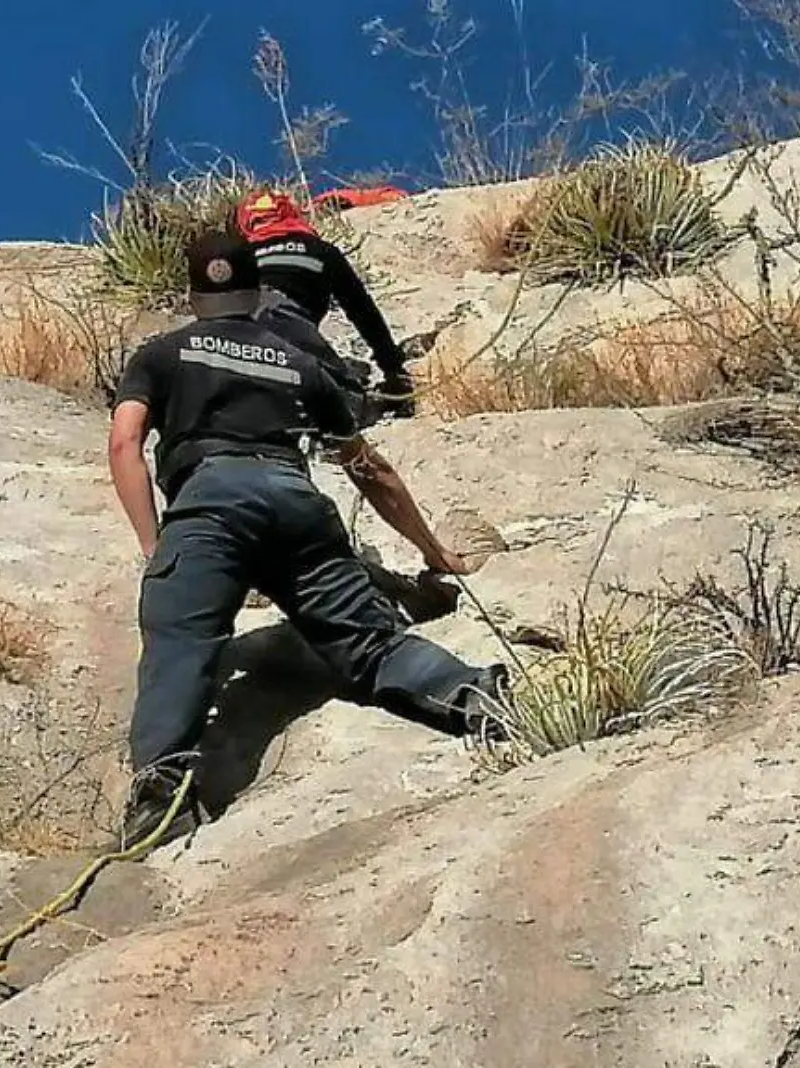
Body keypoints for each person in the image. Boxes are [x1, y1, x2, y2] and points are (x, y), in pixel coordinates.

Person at [106, 229, 507, 851]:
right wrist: (436, 554)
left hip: (208, 502)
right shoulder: (296, 362)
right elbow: (370, 469)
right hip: (295, 503)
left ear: (191, 295)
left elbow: (125, 443)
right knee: (370, 644)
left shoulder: (161, 355)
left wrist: (154, 544)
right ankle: (479, 696)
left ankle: (163, 796)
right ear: (258, 289)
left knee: (181, 641)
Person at [234, 189, 418, 421]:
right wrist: (394, 371)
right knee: (344, 409)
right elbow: (363, 313)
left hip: (234, 331)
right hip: (282, 321)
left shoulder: (240, 256)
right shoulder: (320, 250)